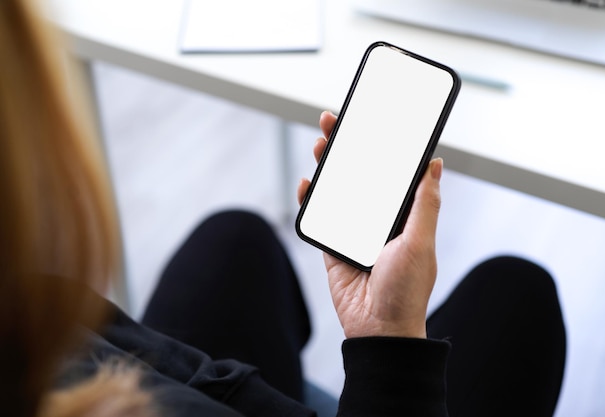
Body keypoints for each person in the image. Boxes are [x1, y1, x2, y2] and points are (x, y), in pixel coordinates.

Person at [0, 1, 566, 417]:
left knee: (234, 238)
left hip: (179, 383)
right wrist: (388, 339)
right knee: (518, 294)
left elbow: (169, 367)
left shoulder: (27, 317)